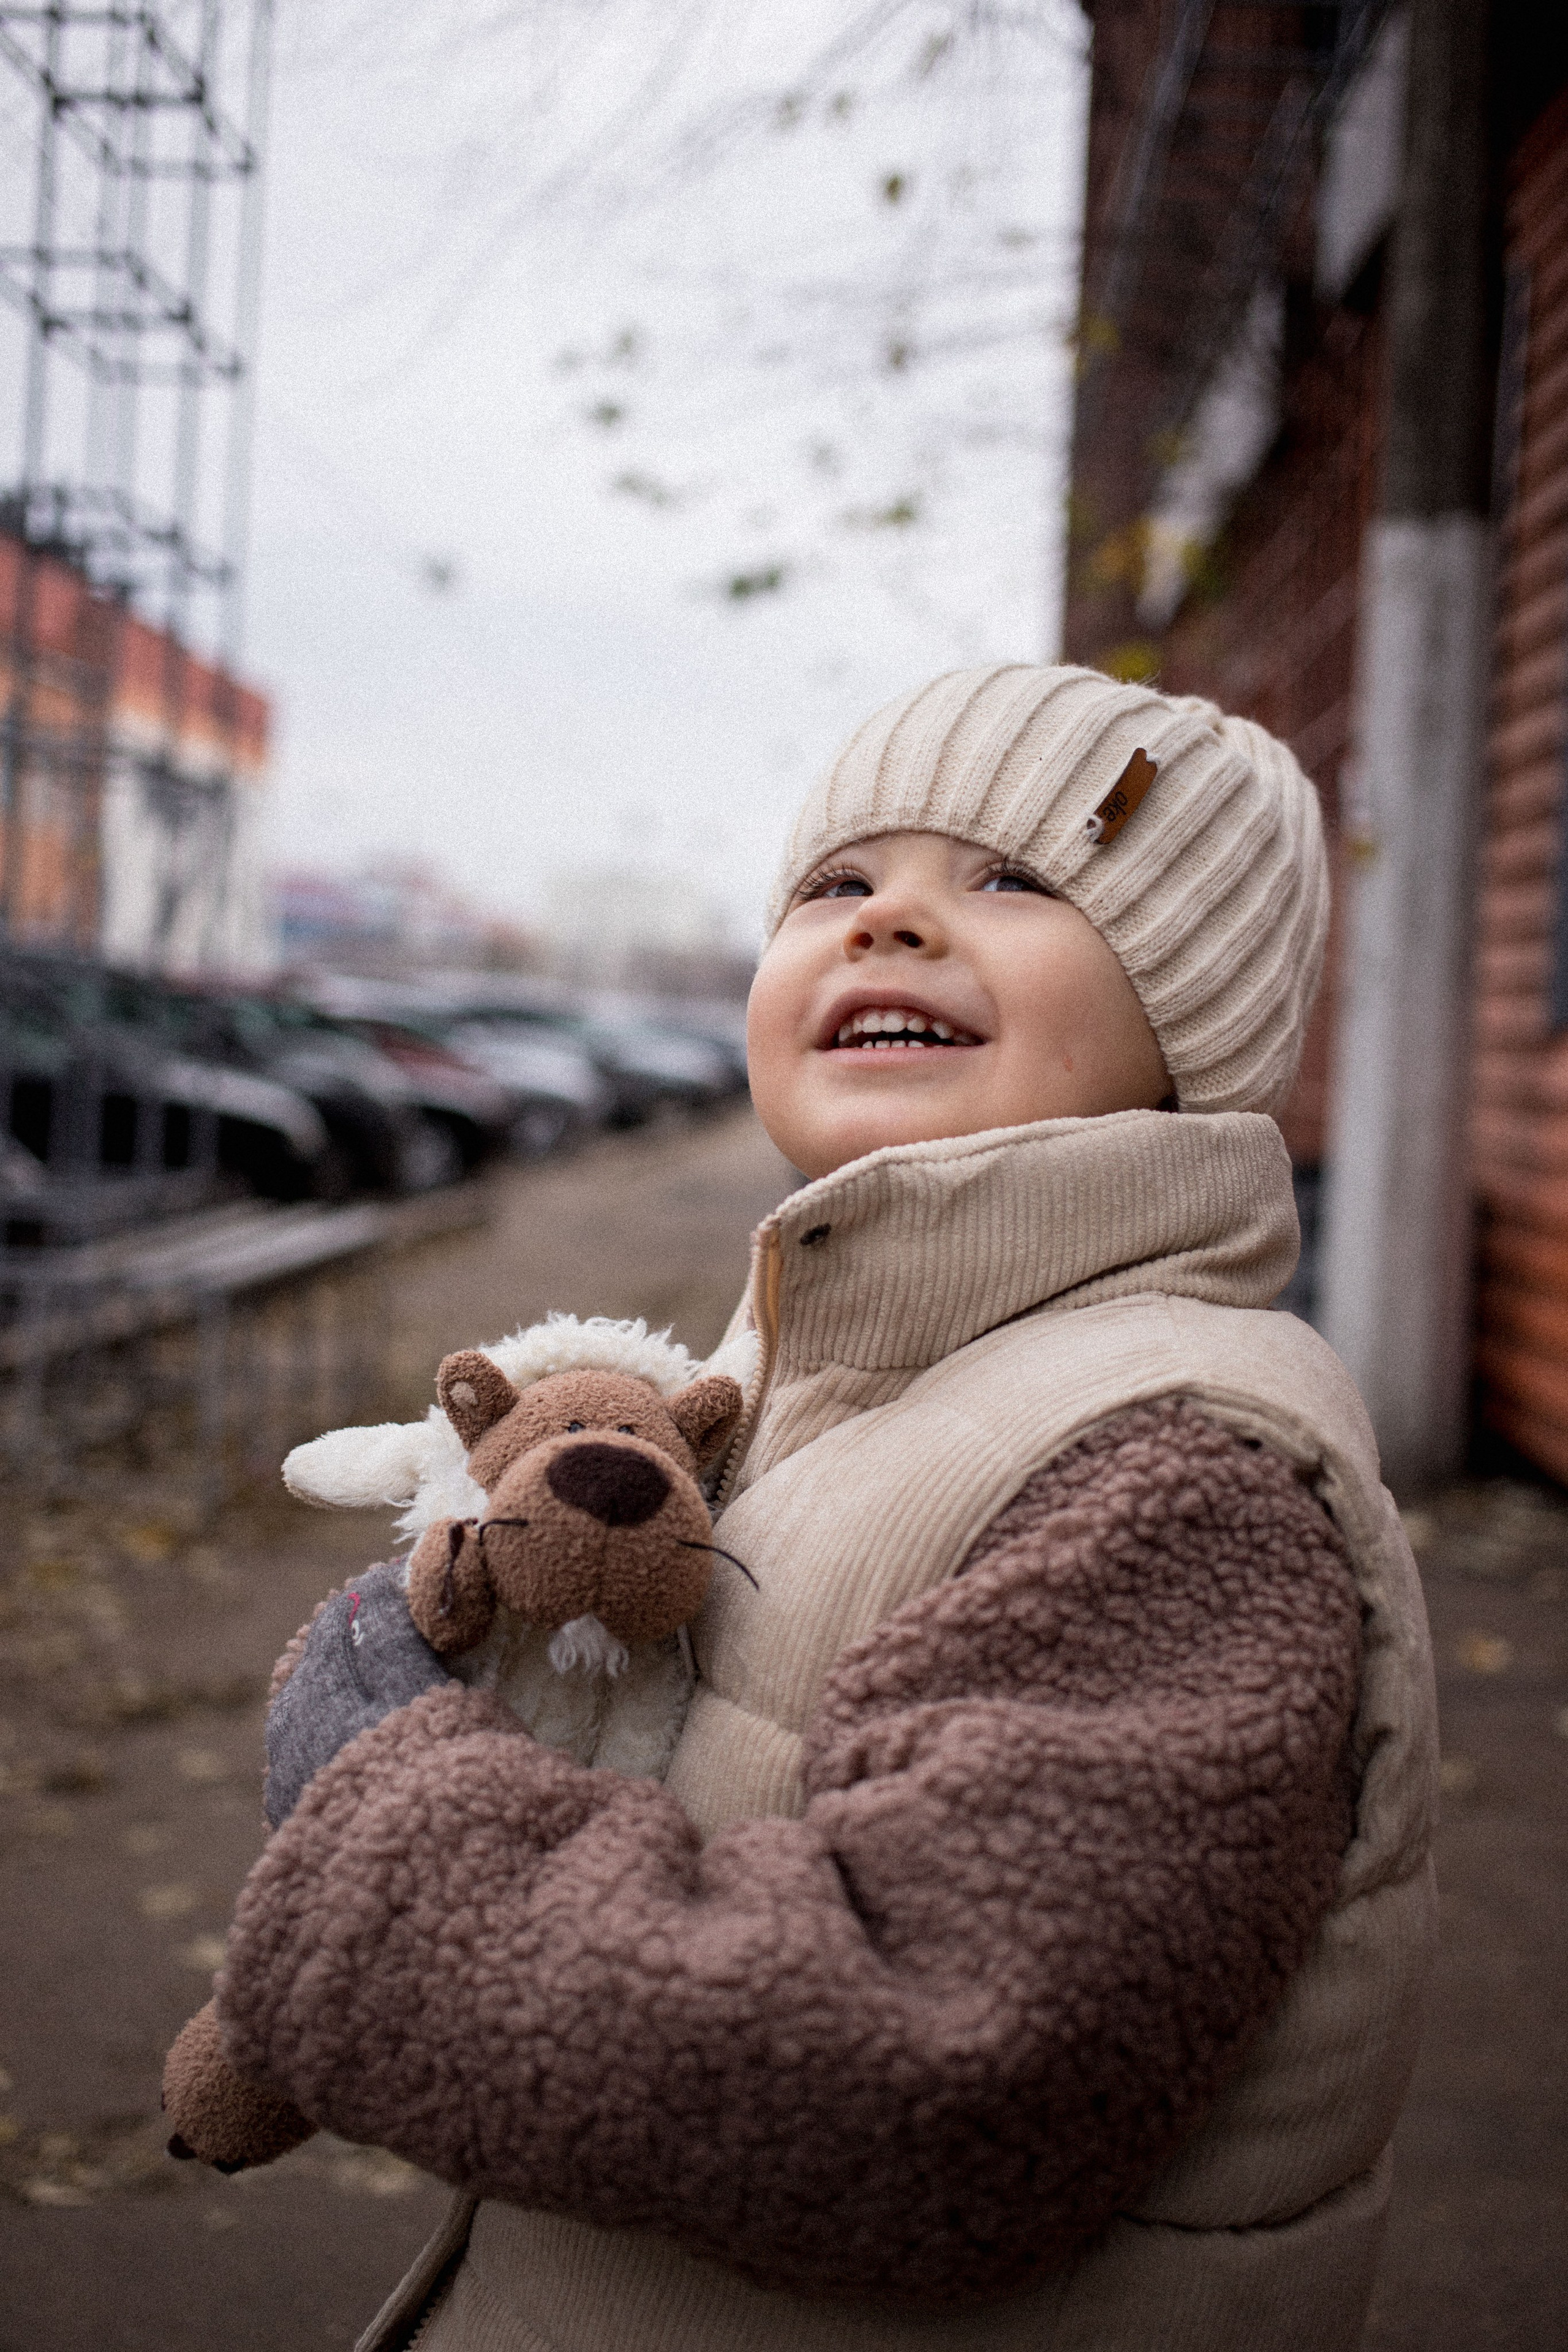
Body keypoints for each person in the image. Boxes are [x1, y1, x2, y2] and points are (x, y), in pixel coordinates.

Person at [209, 665, 1438, 2352]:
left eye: (1013, 879)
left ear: (1196, 1019)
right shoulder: (825, 1358)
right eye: (837, 885)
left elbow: (929, 2084)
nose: (893, 927)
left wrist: (390, 1814)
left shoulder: (1174, 1466)